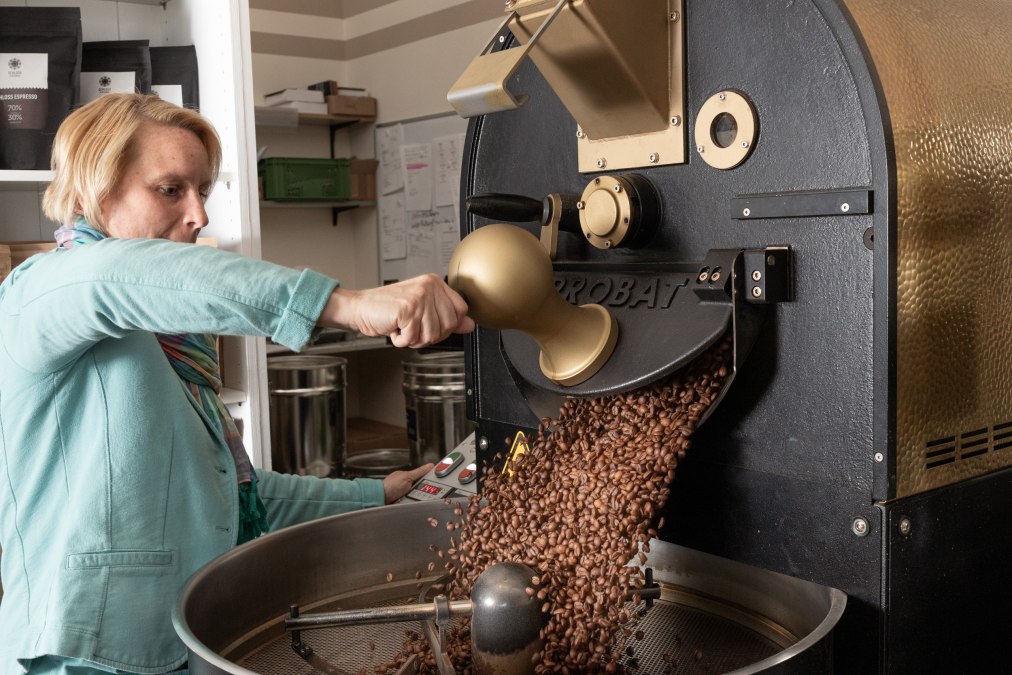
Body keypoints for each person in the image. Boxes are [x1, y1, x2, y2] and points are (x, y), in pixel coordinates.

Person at [0, 93, 475, 675]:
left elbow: (226, 498)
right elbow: (124, 272)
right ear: (89, 193)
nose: (199, 214)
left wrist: (382, 494)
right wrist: (349, 304)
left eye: (204, 190)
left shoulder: (173, 341)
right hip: (83, 657)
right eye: (170, 189)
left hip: (185, 644)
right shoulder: (42, 291)